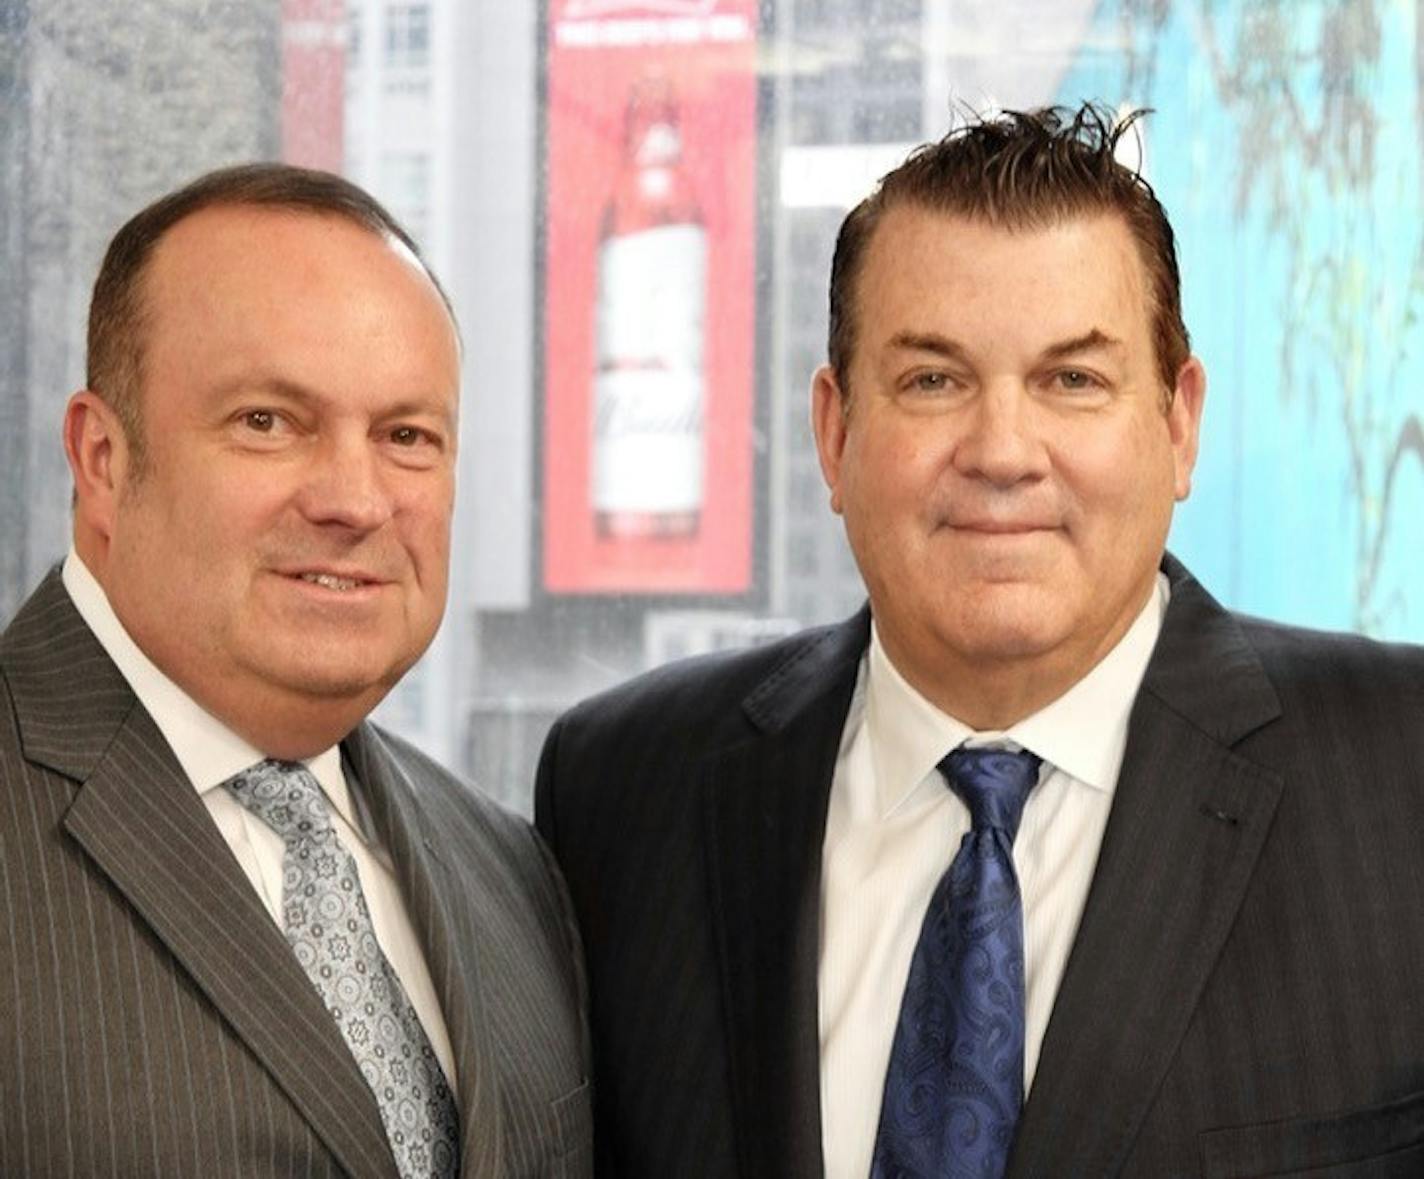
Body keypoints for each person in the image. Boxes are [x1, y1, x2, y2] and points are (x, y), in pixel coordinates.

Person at [535, 105, 1424, 1177]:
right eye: (932, 381)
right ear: (833, 432)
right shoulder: (621, 793)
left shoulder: (1398, 775)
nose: (1002, 452)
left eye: (1071, 380)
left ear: (1177, 424)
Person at [0, 164, 591, 1177]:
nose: (354, 500)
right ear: (101, 459)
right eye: (268, 422)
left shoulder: (511, 869)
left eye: (406, 436)